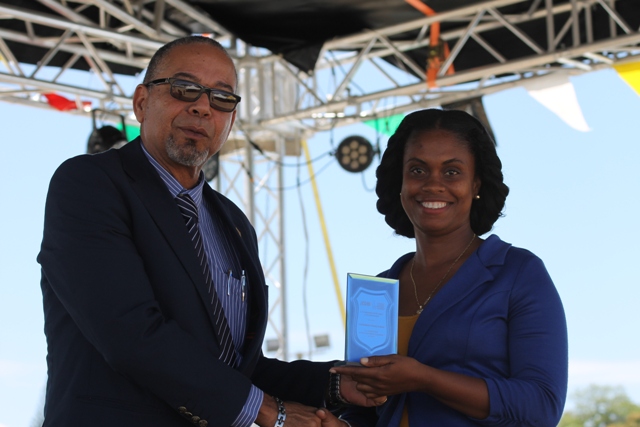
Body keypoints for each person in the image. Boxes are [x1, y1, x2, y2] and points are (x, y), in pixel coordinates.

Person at [37, 36, 380, 427]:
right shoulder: (90, 184)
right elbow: (130, 335)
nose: (202, 106)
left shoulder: (234, 224)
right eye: (184, 89)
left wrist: (335, 384)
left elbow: (235, 371)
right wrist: (271, 412)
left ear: (231, 120)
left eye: (221, 98)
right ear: (141, 102)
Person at [329, 108, 568, 427]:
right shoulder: (375, 291)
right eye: (417, 170)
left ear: (476, 184)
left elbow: (542, 406)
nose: (433, 185)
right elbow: (365, 406)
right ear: (399, 181)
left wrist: (425, 379)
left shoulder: (518, 273)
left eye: (452, 172)